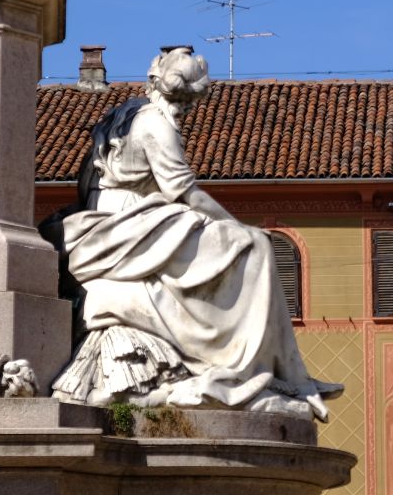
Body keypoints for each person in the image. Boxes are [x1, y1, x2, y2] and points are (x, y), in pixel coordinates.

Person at [52, 47, 342, 418]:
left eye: (188, 102)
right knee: (255, 246)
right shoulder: (155, 123)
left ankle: (288, 372)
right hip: (131, 224)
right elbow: (185, 192)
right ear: (167, 91)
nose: (183, 110)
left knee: (235, 243)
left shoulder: (121, 114)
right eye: (183, 101)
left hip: (102, 222)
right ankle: (250, 366)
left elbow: (84, 183)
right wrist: (233, 224)